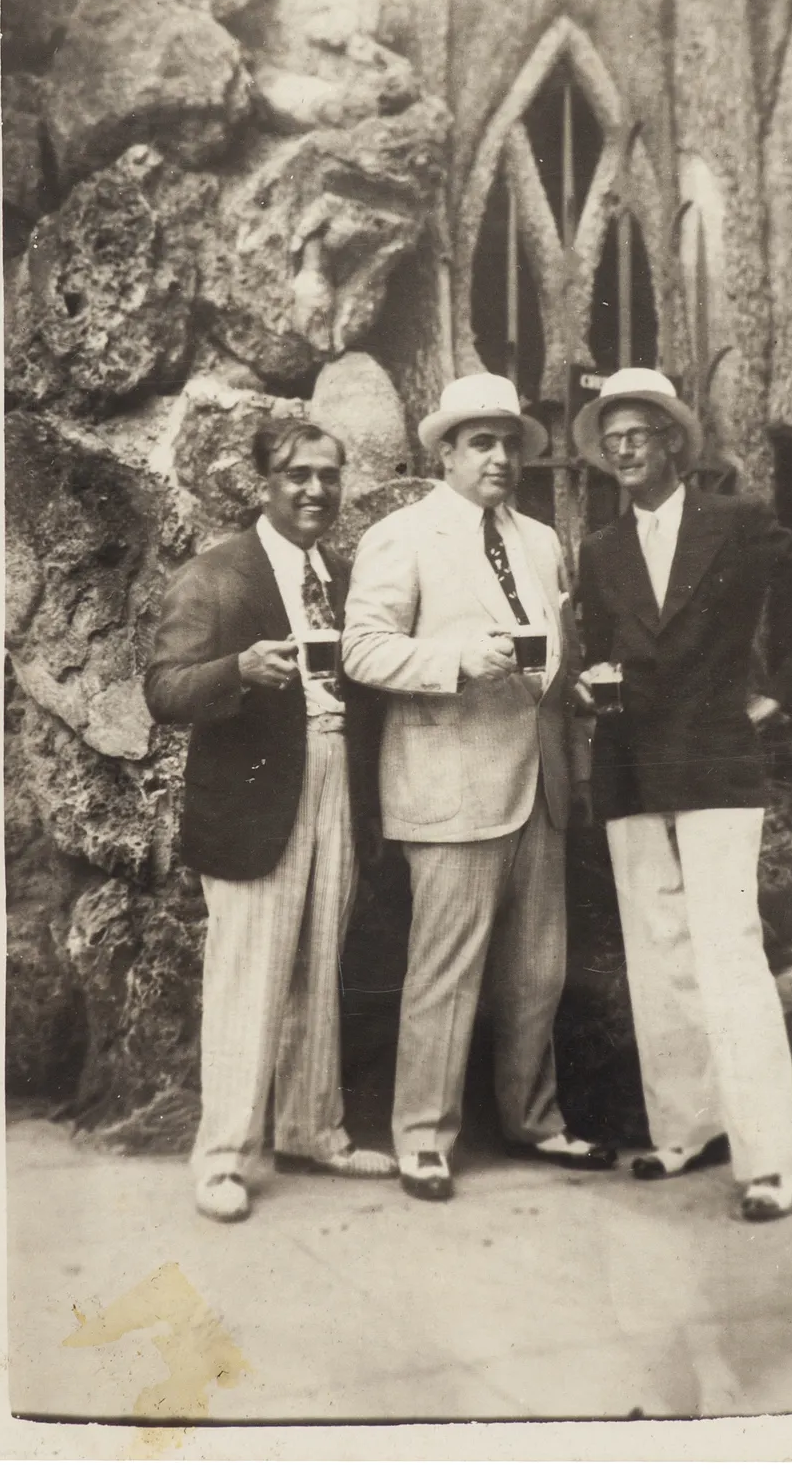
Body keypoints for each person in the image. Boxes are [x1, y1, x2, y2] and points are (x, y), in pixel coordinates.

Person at [572, 368, 792, 1222]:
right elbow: (604, 648)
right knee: (659, 952)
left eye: (639, 432)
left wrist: (780, 696)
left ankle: (769, 1161)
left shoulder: (735, 524)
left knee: (729, 953)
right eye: (611, 437)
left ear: (673, 442)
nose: (624, 447)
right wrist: (598, 685)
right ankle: (687, 1125)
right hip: (631, 767)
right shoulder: (599, 550)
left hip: (714, 766)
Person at [342, 372, 615, 1202]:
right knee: (446, 972)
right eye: (482, 443)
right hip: (450, 783)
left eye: (509, 444)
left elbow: (551, 652)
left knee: (538, 972)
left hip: (538, 783)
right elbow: (361, 650)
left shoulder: (538, 540)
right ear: (447, 453)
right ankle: (423, 1136)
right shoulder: (403, 535)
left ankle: (535, 1121)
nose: (500, 457)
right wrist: (456, 659)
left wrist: (574, 697)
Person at [145, 418, 396, 1223]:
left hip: (336, 779)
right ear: (265, 483)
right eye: (297, 475)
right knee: (247, 975)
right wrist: (238, 670)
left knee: (322, 959)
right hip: (256, 794)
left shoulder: (347, 573)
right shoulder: (217, 575)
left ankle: (312, 1127)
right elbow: (161, 689)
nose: (316, 489)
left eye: (329, 473)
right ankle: (224, 1156)